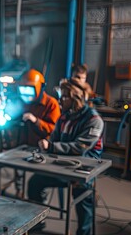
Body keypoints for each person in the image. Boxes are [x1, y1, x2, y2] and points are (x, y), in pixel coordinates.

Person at [28, 78, 104, 235]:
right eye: (61, 96)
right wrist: (47, 143)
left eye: (65, 97)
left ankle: (84, 233)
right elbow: (54, 138)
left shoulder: (94, 120)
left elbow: (80, 148)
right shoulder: (64, 117)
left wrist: (52, 146)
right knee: (35, 182)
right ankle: (37, 223)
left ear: (76, 98)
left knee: (81, 196)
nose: (60, 100)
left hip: (84, 170)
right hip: (62, 165)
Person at [13, 69, 61, 197]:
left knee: (37, 181)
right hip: (24, 145)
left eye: (30, 89)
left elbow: (53, 129)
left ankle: (40, 198)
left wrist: (35, 120)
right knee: (13, 161)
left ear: (41, 87)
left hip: (43, 148)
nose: (26, 94)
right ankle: (19, 190)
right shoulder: (22, 102)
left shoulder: (51, 104)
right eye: (23, 89)